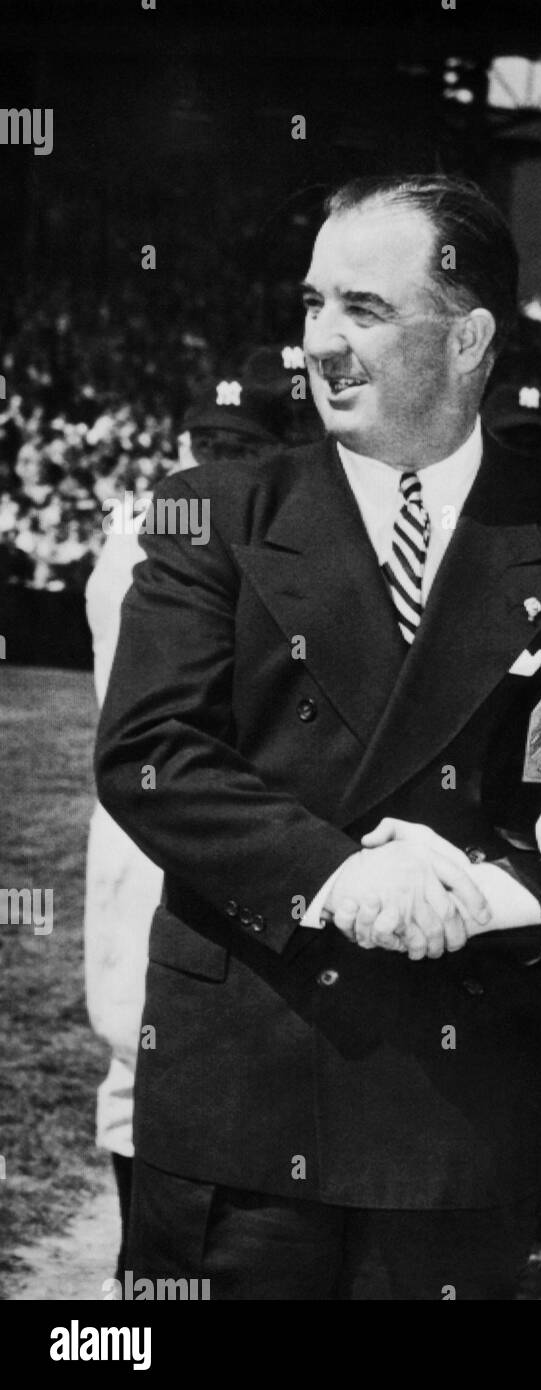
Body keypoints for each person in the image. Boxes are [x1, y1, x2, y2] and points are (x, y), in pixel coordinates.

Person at [94, 174, 541, 1300]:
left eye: (363, 310)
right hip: (242, 1090)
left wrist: (489, 885)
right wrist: (336, 876)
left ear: (470, 335)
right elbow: (153, 753)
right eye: (311, 304)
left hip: (459, 1111)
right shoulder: (214, 508)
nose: (321, 342)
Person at [83, 374, 286, 1281]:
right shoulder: (189, 526)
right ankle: (145, 1271)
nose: (222, 460)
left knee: (161, 1059)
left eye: (239, 446)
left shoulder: (153, 518)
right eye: (214, 443)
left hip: (159, 813)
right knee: (150, 1057)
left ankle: (151, 1269)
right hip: (167, 815)